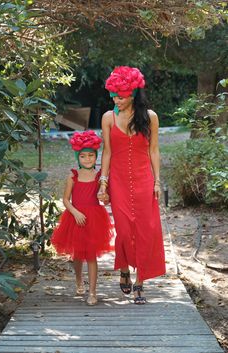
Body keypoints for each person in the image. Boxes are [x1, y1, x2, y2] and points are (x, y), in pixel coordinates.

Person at [98, 66, 166, 305]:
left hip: (143, 180)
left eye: (123, 95)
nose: (118, 99)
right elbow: (106, 152)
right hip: (117, 181)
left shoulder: (151, 117)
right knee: (125, 231)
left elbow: (154, 150)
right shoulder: (108, 117)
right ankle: (124, 267)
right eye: (115, 95)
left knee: (145, 231)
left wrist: (157, 181)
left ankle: (140, 281)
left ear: (134, 94)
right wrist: (103, 183)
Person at [51, 130, 113, 306]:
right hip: (76, 218)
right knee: (78, 255)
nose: (87, 159)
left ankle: (93, 292)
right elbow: (65, 199)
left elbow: (105, 197)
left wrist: (105, 196)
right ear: (78, 157)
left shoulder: (100, 176)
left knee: (91, 255)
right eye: (83, 156)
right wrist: (75, 212)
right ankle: (79, 280)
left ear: (96, 156)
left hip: (94, 218)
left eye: (91, 156)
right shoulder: (73, 176)